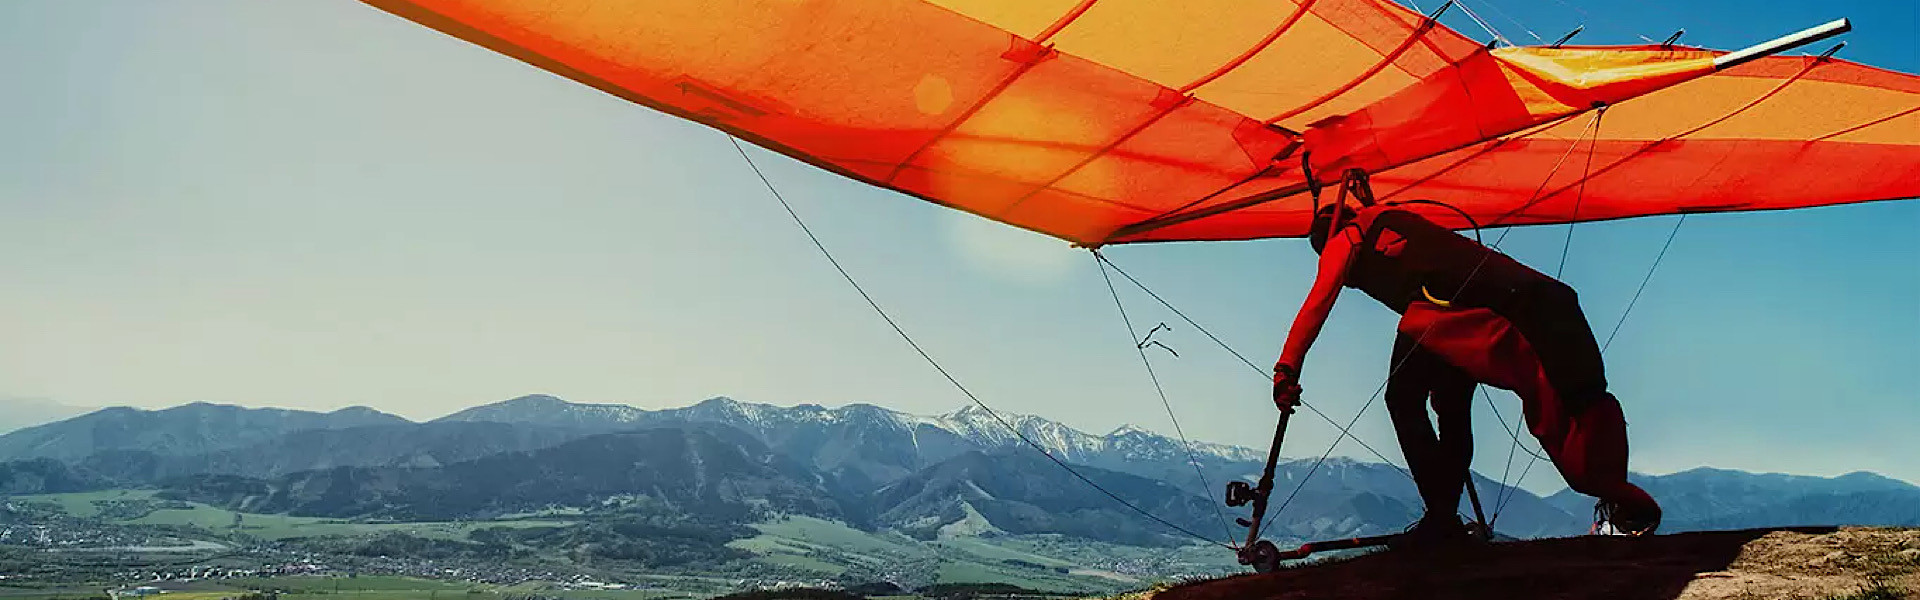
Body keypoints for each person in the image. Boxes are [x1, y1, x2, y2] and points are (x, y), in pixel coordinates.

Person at [1270, 199, 1661, 546]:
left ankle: (1441, 520)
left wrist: (1286, 368)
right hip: (1481, 316)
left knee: (1403, 399)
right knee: (1452, 407)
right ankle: (1445, 518)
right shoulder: (1393, 218)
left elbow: (1316, 306)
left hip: (1449, 316)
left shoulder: (1347, 238)